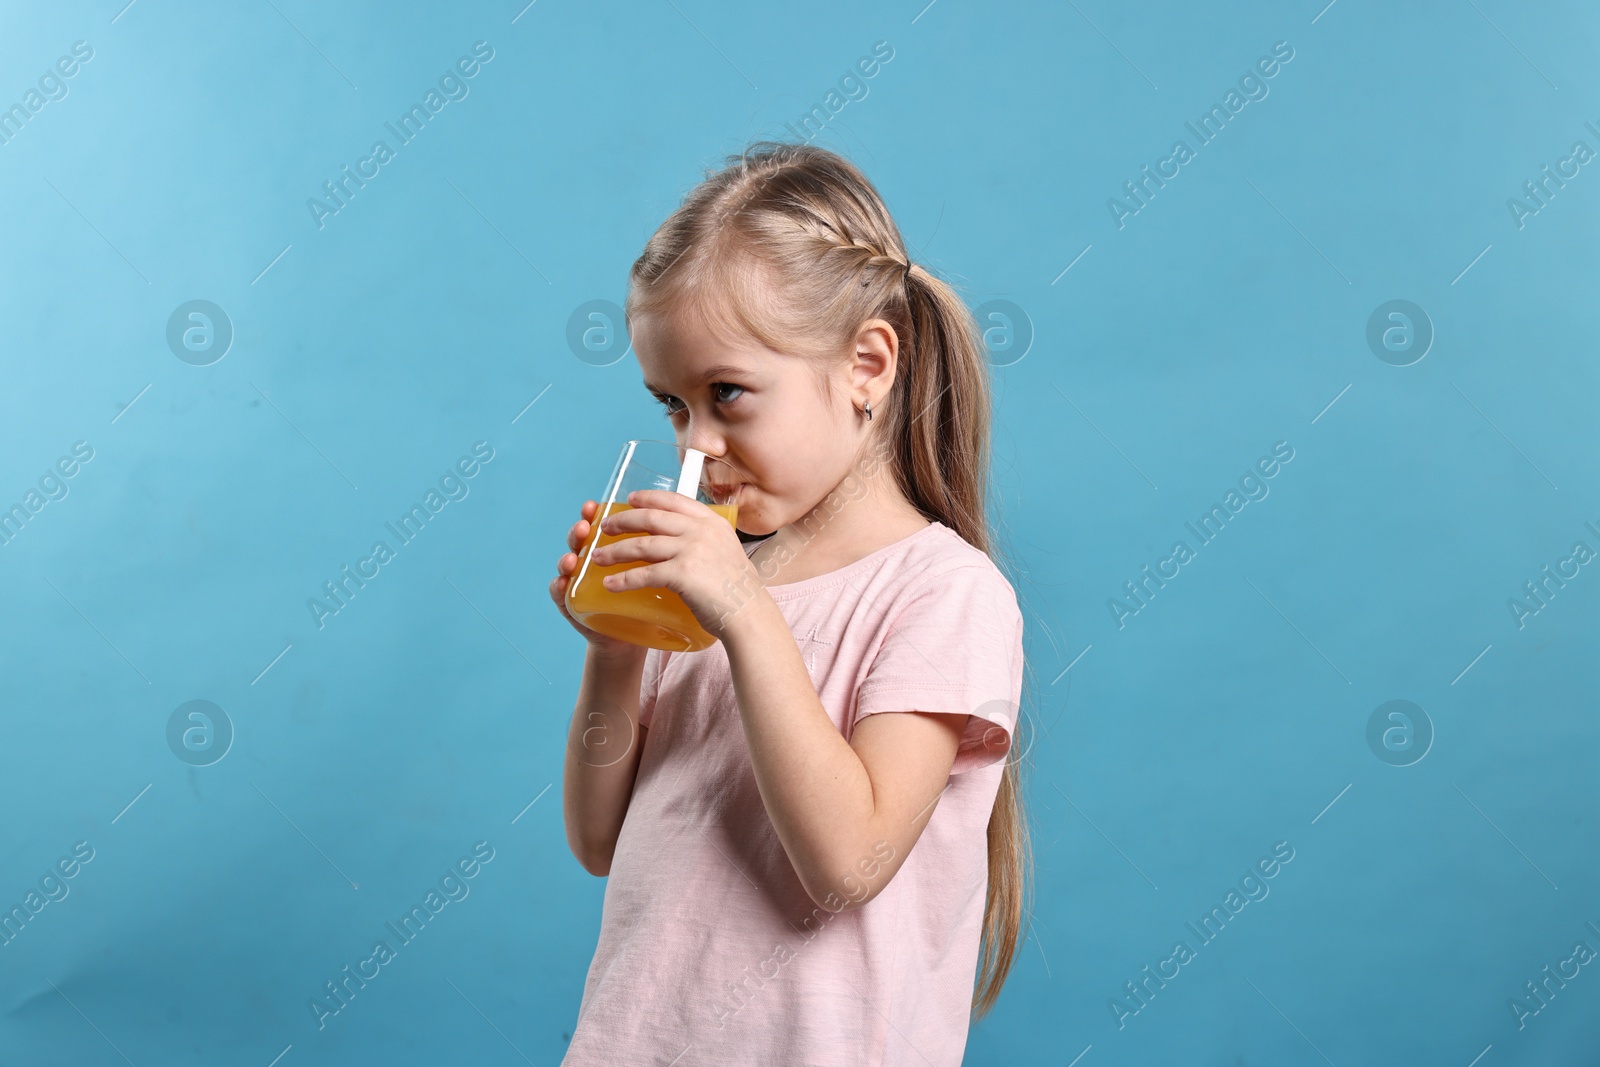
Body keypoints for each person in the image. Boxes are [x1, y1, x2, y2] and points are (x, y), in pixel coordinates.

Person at [549, 140, 1033, 1066]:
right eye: (671, 406)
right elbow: (596, 836)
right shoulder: (711, 582)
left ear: (867, 365)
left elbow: (848, 864)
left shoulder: (944, 593)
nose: (696, 448)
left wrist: (742, 609)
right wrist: (613, 647)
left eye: (727, 394)